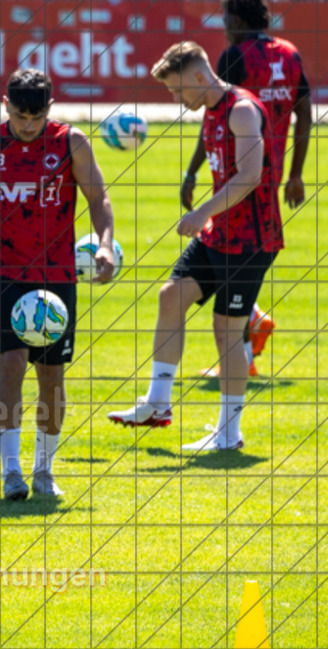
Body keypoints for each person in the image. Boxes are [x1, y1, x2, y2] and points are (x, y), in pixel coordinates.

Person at [108, 42, 282, 453]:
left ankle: (228, 433)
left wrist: (201, 210)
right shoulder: (210, 109)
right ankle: (157, 404)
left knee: (227, 330)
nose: (175, 98)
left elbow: (251, 176)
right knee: (171, 297)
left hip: (250, 241)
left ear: (200, 77)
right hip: (219, 233)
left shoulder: (241, 109)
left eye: (177, 90)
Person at [0, 69, 116, 501]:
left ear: (50, 107)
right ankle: (11, 472)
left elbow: (97, 196)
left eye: (36, 117)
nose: (28, 126)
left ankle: (44, 470)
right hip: (3, 273)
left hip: (56, 276)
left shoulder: (70, 143)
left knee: (51, 373)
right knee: (10, 364)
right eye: (20, 116)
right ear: (4, 105)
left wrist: (105, 245)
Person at [183, 0, 310, 377]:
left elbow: (217, 116)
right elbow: (305, 111)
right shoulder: (289, 54)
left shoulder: (234, 56)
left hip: (237, 178)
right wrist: (296, 174)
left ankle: (246, 346)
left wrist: (191, 172)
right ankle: (253, 321)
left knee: (227, 257)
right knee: (235, 261)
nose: (222, 25)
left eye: (225, 18)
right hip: (269, 179)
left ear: (236, 20)